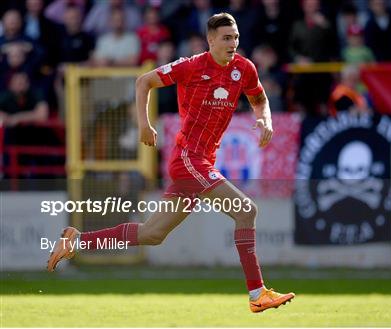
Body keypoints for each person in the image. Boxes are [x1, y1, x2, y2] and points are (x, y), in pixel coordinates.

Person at [47, 12, 295, 313]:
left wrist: (264, 120)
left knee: (152, 234)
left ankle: (77, 241)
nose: (233, 43)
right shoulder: (191, 66)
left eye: (236, 37)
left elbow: (259, 99)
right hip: (188, 159)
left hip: (203, 160)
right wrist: (144, 124)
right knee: (246, 211)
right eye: (227, 38)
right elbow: (143, 81)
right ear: (211, 40)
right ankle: (257, 294)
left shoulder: (244, 69)